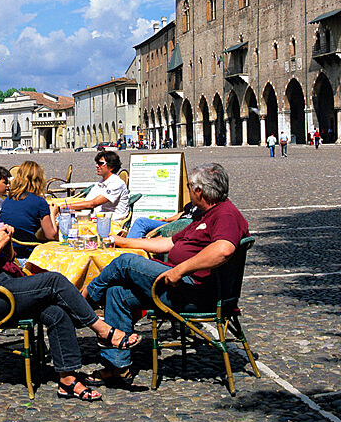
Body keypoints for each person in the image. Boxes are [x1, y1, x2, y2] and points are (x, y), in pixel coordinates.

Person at [0, 178, 138, 402]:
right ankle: (102, 330)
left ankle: (67, 378)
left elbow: (6, 260)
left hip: (4, 288)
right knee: (53, 281)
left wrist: (7, 242)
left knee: (56, 310)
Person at [85, 163, 250, 384]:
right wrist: (121, 241)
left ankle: (84, 301)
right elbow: (167, 243)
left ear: (199, 191)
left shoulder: (226, 214)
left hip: (194, 291)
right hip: (176, 286)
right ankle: (117, 367)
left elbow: (224, 249)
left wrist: (181, 269)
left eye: (190, 186)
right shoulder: (203, 215)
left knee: (125, 263)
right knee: (116, 292)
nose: (189, 191)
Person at [0, 161, 59, 255]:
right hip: (26, 252)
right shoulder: (39, 202)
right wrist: (52, 213)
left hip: (6, 250)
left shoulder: (9, 199)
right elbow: (51, 235)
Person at [60, 151, 130, 221]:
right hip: (99, 217)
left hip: (112, 221)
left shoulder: (116, 183)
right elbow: (87, 201)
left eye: (100, 163)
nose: (97, 166)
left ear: (111, 167)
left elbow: (93, 203)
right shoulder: (101, 182)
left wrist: (65, 206)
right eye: (97, 163)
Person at [126, 199, 199, 239]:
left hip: (180, 226)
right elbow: (183, 213)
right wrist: (166, 220)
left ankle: (131, 251)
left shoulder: (204, 207)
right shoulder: (192, 202)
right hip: (174, 223)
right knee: (141, 221)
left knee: (142, 224)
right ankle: (131, 246)